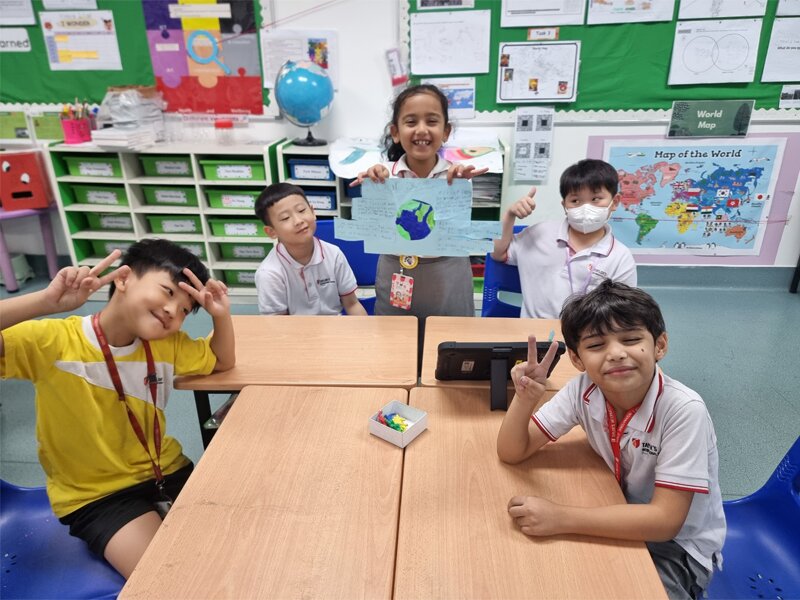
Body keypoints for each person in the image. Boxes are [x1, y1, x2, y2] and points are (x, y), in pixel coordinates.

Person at [0, 239, 235, 579]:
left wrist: (221, 316)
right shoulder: (52, 341)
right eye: (167, 292)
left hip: (166, 473)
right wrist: (45, 302)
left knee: (238, 546)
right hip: (99, 496)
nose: (173, 311)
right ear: (122, 278)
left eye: (185, 310)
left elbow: (222, 361)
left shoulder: (166, 345)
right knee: (168, 579)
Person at [497, 281, 725, 599]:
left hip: (678, 549)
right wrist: (524, 400)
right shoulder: (584, 390)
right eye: (596, 346)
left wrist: (560, 517)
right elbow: (512, 451)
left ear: (660, 345)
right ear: (577, 360)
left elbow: (665, 522)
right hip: (616, 509)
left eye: (631, 340)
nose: (616, 354)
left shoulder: (683, 410)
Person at [352, 84, 487, 361]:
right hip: (398, 272)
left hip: (447, 280)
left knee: (450, 353)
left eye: (432, 121)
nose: (422, 129)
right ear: (395, 131)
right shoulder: (383, 177)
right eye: (411, 121)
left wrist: (460, 184)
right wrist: (376, 186)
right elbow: (377, 226)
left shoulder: (457, 178)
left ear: (446, 131)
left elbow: (458, 232)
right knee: (395, 354)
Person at [491, 158, 637, 318]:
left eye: (596, 199)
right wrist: (509, 215)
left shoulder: (620, 256)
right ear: (564, 205)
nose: (585, 208)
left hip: (588, 337)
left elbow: (623, 312)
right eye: (575, 201)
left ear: (614, 202)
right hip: (532, 334)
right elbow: (498, 253)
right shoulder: (539, 233)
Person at [254, 182, 366, 315]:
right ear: (271, 232)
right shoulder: (269, 273)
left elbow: (352, 303)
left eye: (301, 210)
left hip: (335, 330)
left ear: (313, 212)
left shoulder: (333, 254)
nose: (298, 220)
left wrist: (367, 335)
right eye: (285, 218)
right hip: (294, 333)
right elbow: (276, 324)